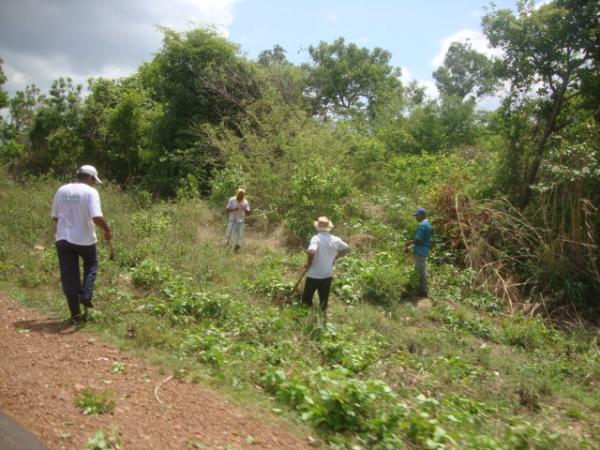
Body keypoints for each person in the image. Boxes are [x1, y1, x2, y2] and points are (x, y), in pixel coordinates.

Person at [51, 165, 112, 323]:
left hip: (63, 239)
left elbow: (55, 217)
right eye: (94, 181)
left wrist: (67, 225)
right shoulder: (91, 192)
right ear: (90, 178)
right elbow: (96, 216)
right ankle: (85, 296)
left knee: (69, 276)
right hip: (85, 239)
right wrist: (107, 229)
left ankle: (76, 316)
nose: (94, 184)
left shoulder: (62, 190)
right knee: (91, 264)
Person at [302, 216, 350, 313]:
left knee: (306, 301)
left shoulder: (316, 239)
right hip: (327, 275)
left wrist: (308, 264)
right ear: (328, 227)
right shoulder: (335, 239)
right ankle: (322, 318)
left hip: (314, 275)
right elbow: (347, 249)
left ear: (318, 227)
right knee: (324, 300)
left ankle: (306, 318)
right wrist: (335, 257)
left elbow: (311, 252)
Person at [405, 207, 433, 297]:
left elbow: (419, 240)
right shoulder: (428, 225)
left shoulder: (422, 226)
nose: (416, 217)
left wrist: (409, 243)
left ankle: (424, 291)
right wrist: (411, 247)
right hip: (423, 250)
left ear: (422, 215)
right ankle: (412, 286)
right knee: (417, 270)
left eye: (417, 215)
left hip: (420, 251)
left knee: (421, 270)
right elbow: (423, 241)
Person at [224, 188, 251, 252]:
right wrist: (234, 209)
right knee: (230, 235)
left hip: (241, 221)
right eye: (240, 194)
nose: (241, 196)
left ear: (244, 195)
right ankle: (227, 248)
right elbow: (226, 210)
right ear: (237, 194)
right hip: (232, 221)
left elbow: (249, 212)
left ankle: (236, 250)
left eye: (242, 195)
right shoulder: (232, 200)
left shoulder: (245, 202)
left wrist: (244, 208)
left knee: (239, 236)